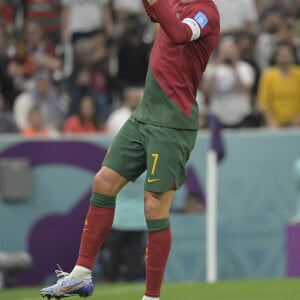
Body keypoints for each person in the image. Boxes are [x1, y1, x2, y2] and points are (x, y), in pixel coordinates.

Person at [40, 1, 220, 300]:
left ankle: (151, 297)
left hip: (173, 122)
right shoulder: (176, 3)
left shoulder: (206, 13)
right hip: (144, 114)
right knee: (104, 182)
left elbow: (176, 32)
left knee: (154, 206)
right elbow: (153, 12)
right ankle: (81, 275)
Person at [258, 41, 300, 128]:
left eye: (287, 54)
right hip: (274, 123)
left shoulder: (298, 74)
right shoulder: (268, 76)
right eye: (281, 55)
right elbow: (263, 103)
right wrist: (271, 121)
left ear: (292, 56)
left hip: (296, 123)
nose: (284, 57)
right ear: (276, 57)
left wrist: (298, 118)